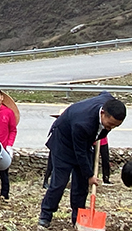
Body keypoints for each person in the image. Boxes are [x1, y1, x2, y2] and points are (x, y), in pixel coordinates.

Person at [38, 91, 127, 229]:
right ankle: (45, 215)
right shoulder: (83, 123)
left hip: (84, 143)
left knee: (81, 186)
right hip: (63, 145)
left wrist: (86, 175)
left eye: (115, 126)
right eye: (110, 124)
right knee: (59, 183)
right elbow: (80, 153)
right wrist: (90, 175)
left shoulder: (108, 101)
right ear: (103, 113)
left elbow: (104, 93)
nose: (110, 128)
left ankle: (78, 218)